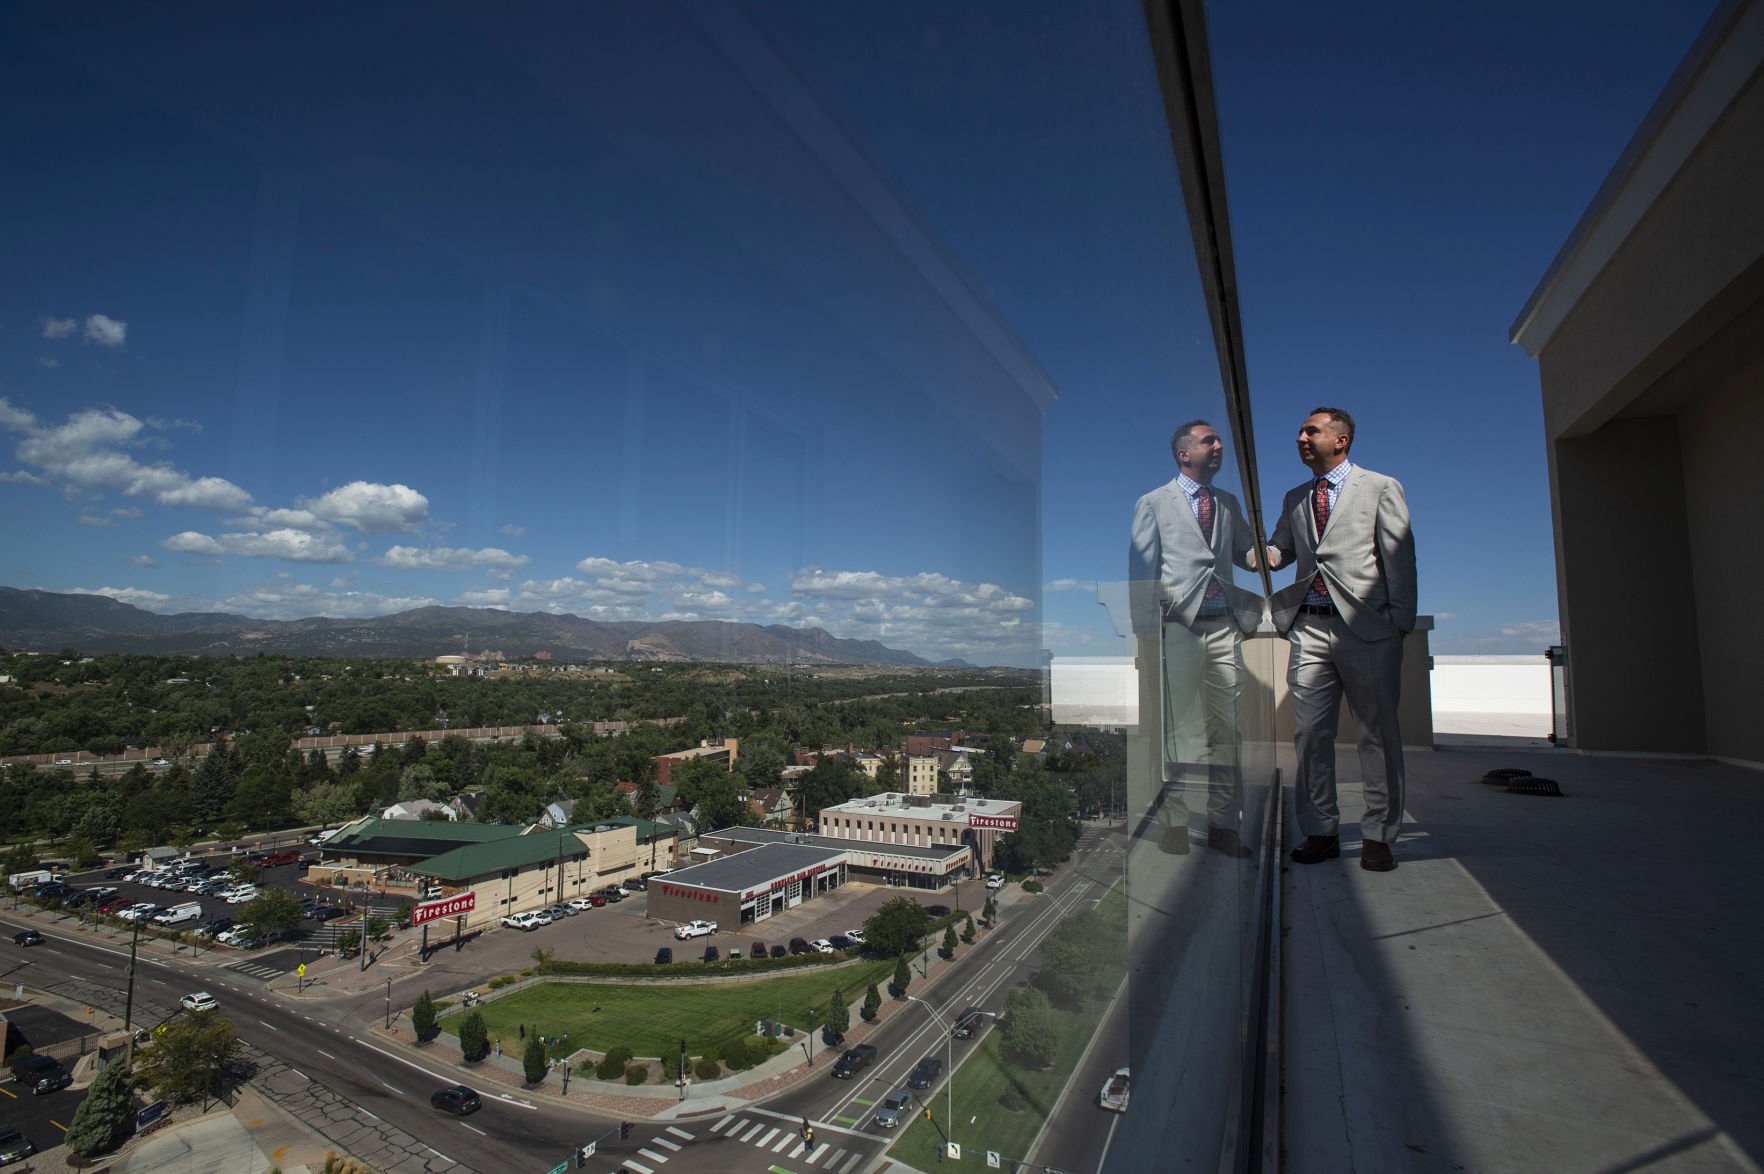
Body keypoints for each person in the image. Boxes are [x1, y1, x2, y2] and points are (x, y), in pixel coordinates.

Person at [1266, 407, 1416, 871]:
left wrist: (1399, 621)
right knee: (1311, 734)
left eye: (1311, 430)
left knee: (1377, 735)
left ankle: (1378, 834)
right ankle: (1321, 829)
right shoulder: (1295, 497)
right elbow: (1279, 551)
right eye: (1299, 431)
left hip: (1368, 629)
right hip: (1309, 628)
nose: (1300, 437)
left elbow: (1399, 554)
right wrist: (1251, 550)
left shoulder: (1379, 487)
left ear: (1342, 439)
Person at [1129, 420, 1265, 856]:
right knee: (1175, 731)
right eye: (1209, 440)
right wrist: (1146, 636)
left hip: (1224, 626)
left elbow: (1245, 552)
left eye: (1220, 439)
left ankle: (1224, 822)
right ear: (1184, 453)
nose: (1219, 445)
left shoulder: (1226, 503)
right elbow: (1141, 574)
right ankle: (1175, 821)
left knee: (1229, 729)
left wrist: (1276, 550)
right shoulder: (1152, 503)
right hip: (1177, 628)